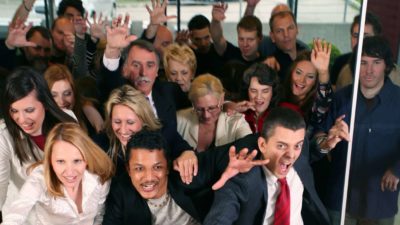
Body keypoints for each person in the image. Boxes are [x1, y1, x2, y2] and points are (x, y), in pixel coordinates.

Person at [314, 35, 400, 225]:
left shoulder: (398, 100)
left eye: (376, 62)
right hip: (340, 196)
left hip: (380, 197)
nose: (369, 70)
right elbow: (317, 145)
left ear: (386, 66)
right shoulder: (341, 99)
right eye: (363, 62)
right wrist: (328, 140)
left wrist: (397, 169)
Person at [103, 129, 266, 225]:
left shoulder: (185, 172)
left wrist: (238, 160)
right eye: (139, 169)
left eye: (157, 167)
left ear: (167, 166)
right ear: (128, 170)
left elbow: (251, 140)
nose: (149, 177)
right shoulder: (121, 192)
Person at [203, 107, 330, 225]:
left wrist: (325, 145)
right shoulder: (242, 182)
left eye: (297, 145)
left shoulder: (301, 152)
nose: (291, 155)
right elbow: (219, 218)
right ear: (263, 145)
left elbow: (309, 155)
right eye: (281, 146)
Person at [0, 67, 76, 219]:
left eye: (29, 110)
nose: (21, 119)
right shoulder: (3, 136)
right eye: (14, 111)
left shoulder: (67, 120)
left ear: (46, 104)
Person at [2, 122, 114, 225]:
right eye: (60, 161)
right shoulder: (40, 178)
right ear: (50, 160)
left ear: (87, 158)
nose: (70, 171)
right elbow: (15, 214)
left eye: (77, 161)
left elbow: (99, 216)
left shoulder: (99, 177)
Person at [177, 74, 252, 152]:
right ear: (192, 103)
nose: (206, 115)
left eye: (211, 108)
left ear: (222, 98)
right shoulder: (179, 119)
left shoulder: (237, 122)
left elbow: (249, 146)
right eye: (199, 109)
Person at [102, 85, 161, 177]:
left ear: (144, 120)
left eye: (130, 122)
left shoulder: (160, 142)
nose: (123, 130)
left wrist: (186, 152)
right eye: (117, 122)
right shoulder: (101, 146)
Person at [279, 39, 332, 131]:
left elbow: (323, 100)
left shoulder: (315, 108)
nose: (301, 80)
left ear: (316, 82)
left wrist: (323, 72)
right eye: (298, 73)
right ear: (291, 71)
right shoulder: (278, 95)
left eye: (310, 77)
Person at [44, 64, 104, 135]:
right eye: (54, 95)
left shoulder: (87, 111)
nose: (62, 101)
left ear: (74, 92)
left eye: (67, 93)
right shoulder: (42, 122)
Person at [211, 3, 264, 67]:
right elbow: (217, 39)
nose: (245, 44)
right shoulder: (231, 54)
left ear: (260, 38)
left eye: (250, 40)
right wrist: (215, 21)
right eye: (241, 39)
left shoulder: (266, 63)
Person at [235, 62, 280, 134]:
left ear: (273, 91)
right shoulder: (238, 113)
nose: (259, 97)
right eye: (253, 91)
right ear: (247, 90)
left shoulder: (283, 114)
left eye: (265, 91)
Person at [266, 10, 308, 81]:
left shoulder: (310, 57)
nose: (286, 35)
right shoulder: (271, 66)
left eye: (290, 28)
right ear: (272, 36)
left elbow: (325, 91)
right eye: (279, 31)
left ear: (297, 29)